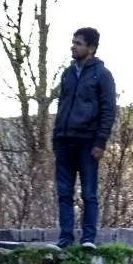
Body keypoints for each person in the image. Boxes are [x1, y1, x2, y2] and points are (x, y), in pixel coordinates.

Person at [52, 27, 116, 250]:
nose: (73, 46)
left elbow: (108, 110)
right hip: (64, 141)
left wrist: (101, 142)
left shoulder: (103, 75)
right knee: (64, 193)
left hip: (88, 142)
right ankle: (65, 239)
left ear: (91, 48)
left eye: (78, 43)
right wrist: (56, 138)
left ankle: (88, 239)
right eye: (73, 42)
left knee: (88, 193)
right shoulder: (68, 74)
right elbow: (61, 105)